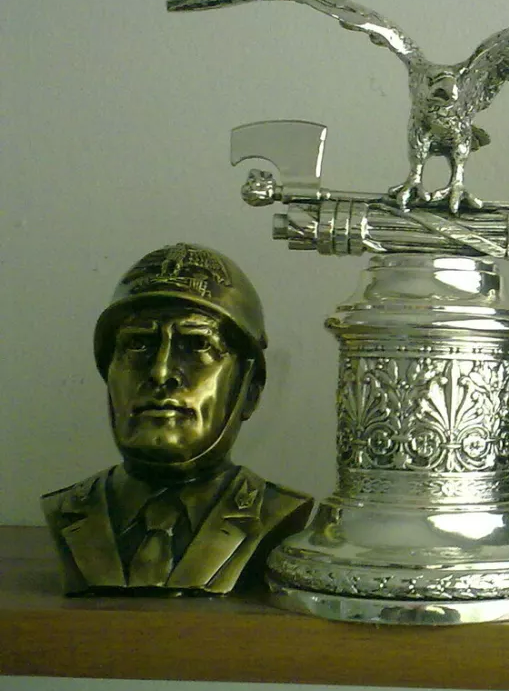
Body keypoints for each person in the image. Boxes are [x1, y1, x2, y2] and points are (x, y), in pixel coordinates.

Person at [42, 243, 312, 595]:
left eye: (197, 345)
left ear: (249, 390)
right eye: (138, 344)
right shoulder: (66, 509)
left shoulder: (276, 512)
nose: (160, 372)